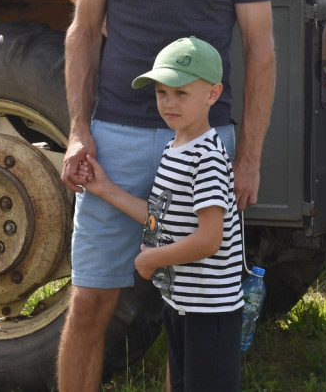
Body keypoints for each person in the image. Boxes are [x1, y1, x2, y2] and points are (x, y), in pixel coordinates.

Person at [57, 0, 275, 392]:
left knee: (196, 309)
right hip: (116, 141)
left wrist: (248, 156)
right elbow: (83, 30)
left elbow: (261, 49)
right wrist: (80, 132)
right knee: (90, 303)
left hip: (204, 143)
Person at [74, 37, 244, 391]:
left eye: (181, 94)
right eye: (162, 92)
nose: (169, 103)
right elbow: (160, 215)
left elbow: (209, 239)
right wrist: (106, 189)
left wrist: (151, 260)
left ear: (213, 94)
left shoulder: (207, 158)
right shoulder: (175, 147)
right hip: (182, 302)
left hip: (209, 310)